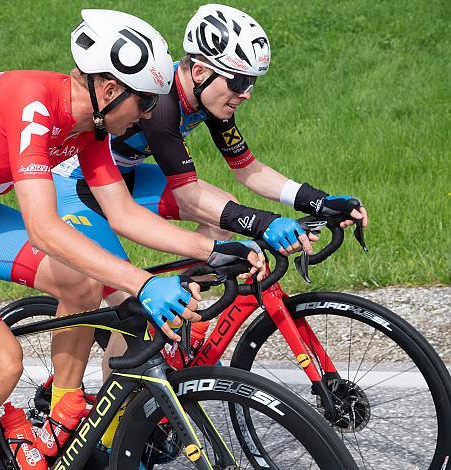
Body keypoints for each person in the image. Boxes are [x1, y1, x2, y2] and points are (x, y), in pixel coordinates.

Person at [0, 9, 264, 469]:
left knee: (81, 285)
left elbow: (124, 213)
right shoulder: (32, 104)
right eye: (146, 102)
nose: (149, 115)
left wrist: (214, 249)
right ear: (110, 90)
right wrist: (143, 283)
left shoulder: (90, 126)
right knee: (2, 364)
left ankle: (61, 419)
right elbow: (44, 229)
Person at [50, 4, 368, 452]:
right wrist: (264, 223)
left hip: (124, 178)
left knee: (224, 240)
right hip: (76, 189)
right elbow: (187, 194)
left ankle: (189, 342)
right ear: (199, 70)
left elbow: (249, 170)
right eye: (238, 82)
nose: (246, 93)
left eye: (251, 83)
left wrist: (316, 199)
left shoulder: (211, 100)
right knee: (133, 315)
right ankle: (117, 432)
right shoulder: (160, 103)